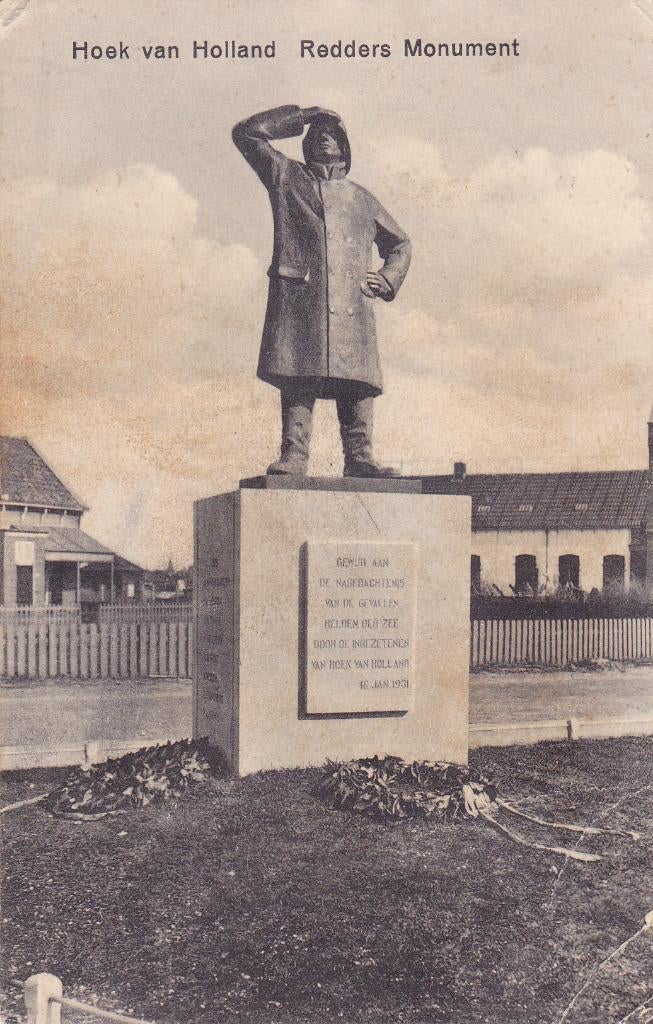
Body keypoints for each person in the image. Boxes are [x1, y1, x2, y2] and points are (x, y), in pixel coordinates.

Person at [232, 104, 412, 477]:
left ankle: (360, 458)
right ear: (306, 142)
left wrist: (389, 278)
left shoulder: (362, 198)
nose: (325, 137)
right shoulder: (286, 176)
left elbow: (400, 244)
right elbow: (246, 133)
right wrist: (303, 116)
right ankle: (294, 455)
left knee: (357, 384)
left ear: (345, 148)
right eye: (317, 133)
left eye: (332, 133)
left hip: (352, 304)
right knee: (299, 375)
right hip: (303, 299)